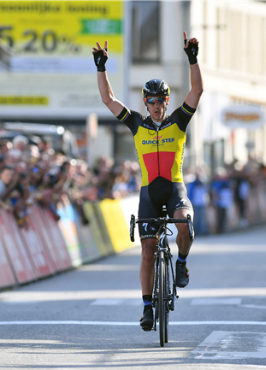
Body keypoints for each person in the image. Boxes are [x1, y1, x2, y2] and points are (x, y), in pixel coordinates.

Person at [92, 31, 203, 331]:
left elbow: (197, 91)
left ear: (166, 102)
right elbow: (108, 99)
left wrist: (192, 58)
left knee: (184, 224)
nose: (155, 105)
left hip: (175, 188)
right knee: (147, 250)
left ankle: (181, 264)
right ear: (145, 102)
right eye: (150, 101)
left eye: (160, 101)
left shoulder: (178, 120)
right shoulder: (136, 123)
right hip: (149, 193)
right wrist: (101, 67)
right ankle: (147, 307)